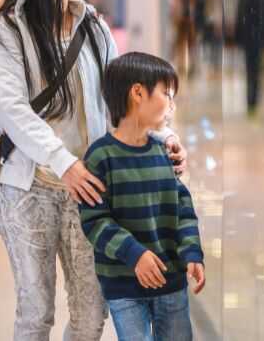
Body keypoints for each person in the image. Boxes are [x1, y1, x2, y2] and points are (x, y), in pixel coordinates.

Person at [0, 0, 188, 341]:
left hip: (90, 189)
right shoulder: (5, 31)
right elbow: (14, 112)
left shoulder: (93, 26)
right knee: (35, 311)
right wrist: (64, 163)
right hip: (28, 190)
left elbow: (121, 101)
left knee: (92, 314)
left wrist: (163, 137)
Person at [80, 52, 205, 341]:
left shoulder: (165, 151)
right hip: (124, 286)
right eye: (167, 94)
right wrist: (135, 256)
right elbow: (95, 222)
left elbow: (183, 208)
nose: (172, 104)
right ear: (138, 92)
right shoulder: (100, 157)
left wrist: (192, 252)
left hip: (171, 282)